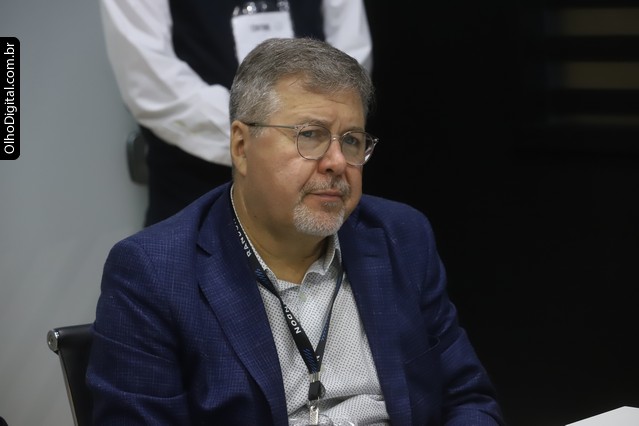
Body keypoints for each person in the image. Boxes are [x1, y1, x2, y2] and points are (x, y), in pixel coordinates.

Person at [87, 37, 504, 425]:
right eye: (311, 135)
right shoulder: (154, 273)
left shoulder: (401, 236)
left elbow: (467, 398)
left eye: (352, 140)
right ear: (241, 147)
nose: (336, 162)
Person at [99, 0, 373, 226]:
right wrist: (269, 138)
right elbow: (150, 81)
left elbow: (349, 63)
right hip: (194, 181)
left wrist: (307, 134)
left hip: (319, 171)